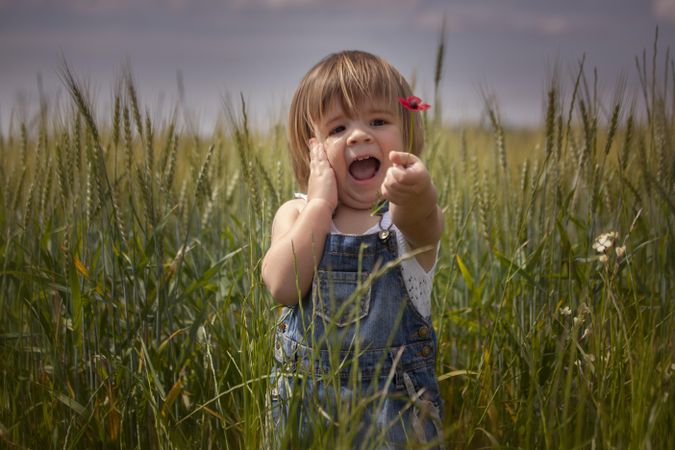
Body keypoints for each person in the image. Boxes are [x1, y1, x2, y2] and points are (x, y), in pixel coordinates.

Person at [262, 50, 444, 448]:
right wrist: (320, 204)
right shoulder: (297, 214)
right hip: (307, 417)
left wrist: (417, 191)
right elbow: (281, 285)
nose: (359, 135)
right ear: (311, 150)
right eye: (338, 127)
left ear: (408, 135)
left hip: (394, 418)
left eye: (378, 121)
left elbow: (423, 218)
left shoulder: (401, 223)